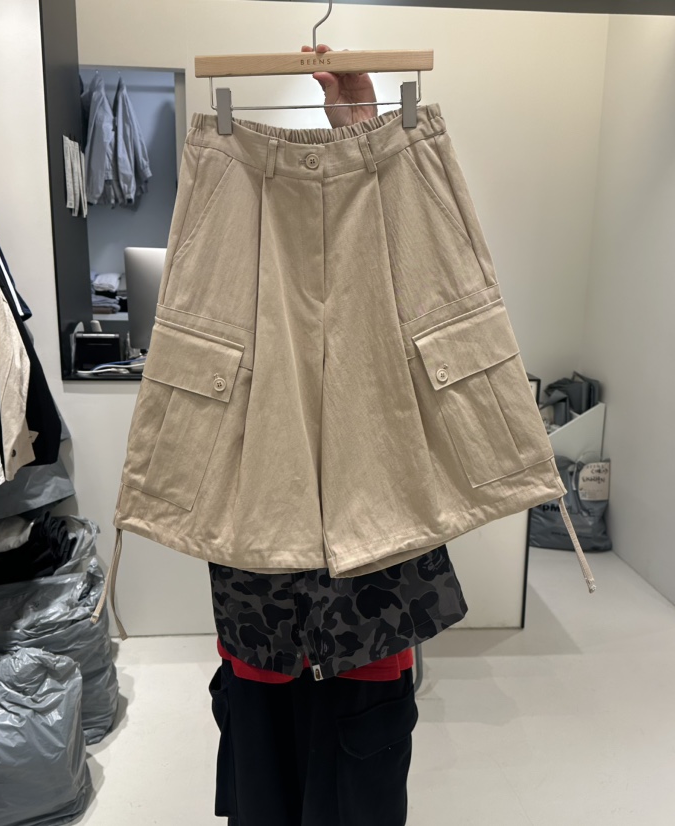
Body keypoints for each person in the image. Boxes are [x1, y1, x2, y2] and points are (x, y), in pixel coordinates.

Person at [206, 44, 470, 826]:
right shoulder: (229, 241)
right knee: (264, 799)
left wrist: (364, 130)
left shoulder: (392, 257)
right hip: (258, 618)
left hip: (368, 619)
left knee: (357, 799)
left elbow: (418, 263)